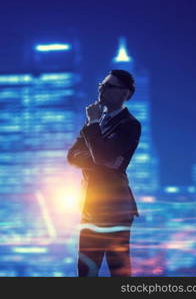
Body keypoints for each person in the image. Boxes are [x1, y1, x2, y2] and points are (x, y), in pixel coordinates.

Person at [67, 69, 141, 277]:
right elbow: (72, 156)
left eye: (109, 86)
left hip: (116, 208)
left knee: (119, 270)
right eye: (102, 84)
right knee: (86, 271)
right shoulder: (97, 123)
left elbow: (100, 155)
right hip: (91, 206)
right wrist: (104, 160)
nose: (102, 89)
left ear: (124, 94)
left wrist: (93, 126)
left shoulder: (130, 125)